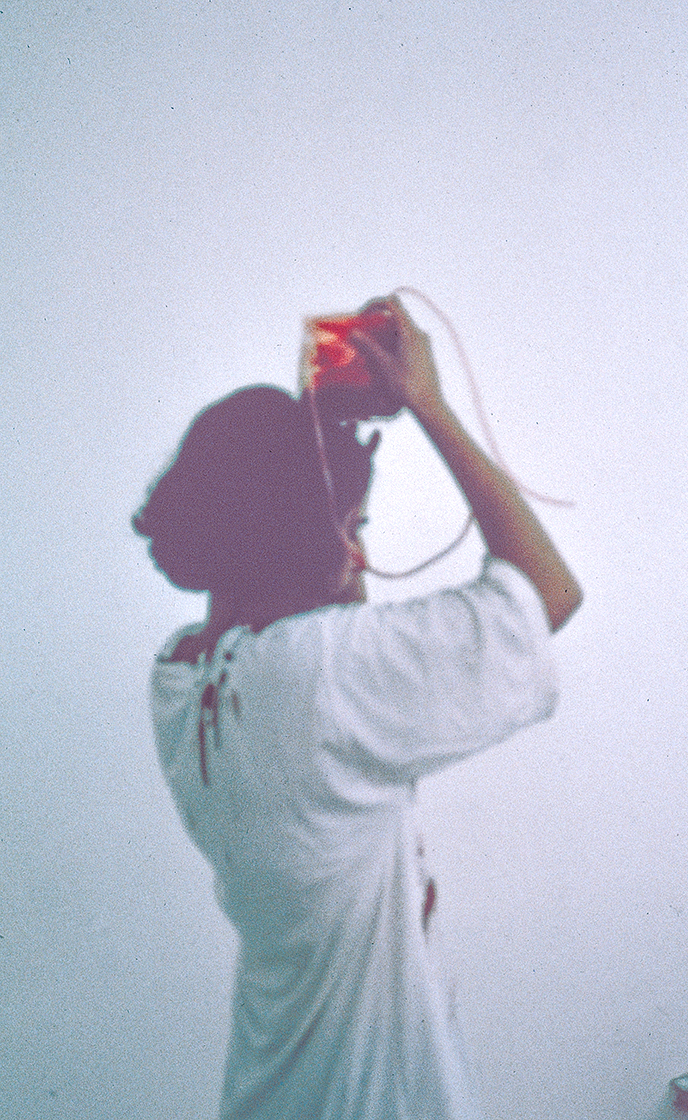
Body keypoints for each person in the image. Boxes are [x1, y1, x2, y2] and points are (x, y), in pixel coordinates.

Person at [133, 296, 582, 1120]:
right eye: (354, 530)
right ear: (313, 538)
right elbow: (548, 593)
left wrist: (317, 460)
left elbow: (318, 633)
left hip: (265, 1093)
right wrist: (429, 406)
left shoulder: (178, 681)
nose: (362, 556)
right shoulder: (322, 680)